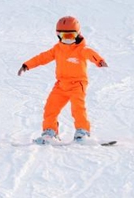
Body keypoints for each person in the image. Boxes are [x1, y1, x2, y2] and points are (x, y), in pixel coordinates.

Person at [17, 16, 108, 145]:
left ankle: (82, 133)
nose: (67, 39)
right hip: (61, 84)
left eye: (71, 36)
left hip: (78, 83)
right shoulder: (57, 49)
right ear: (58, 35)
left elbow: (90, 53)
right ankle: (50, 133)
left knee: (77, 108)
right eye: (64, 35)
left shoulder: (81, 49)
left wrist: (99, 61)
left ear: (78, 34)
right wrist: (27, 64)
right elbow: (42, 57)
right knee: (50, 108)